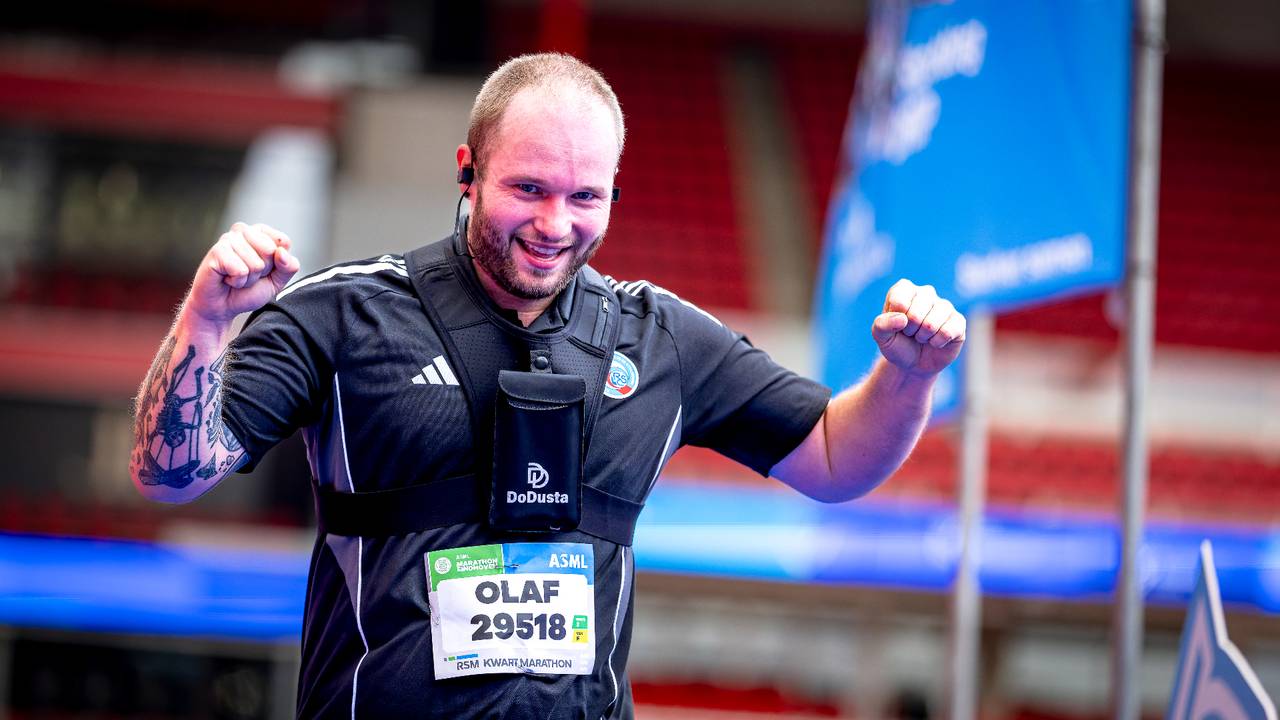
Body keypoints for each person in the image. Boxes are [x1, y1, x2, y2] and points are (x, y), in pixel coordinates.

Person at [129, 53, 964, 719]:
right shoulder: (338, 315)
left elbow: (834, 459)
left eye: (585, 196)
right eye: (528, 188)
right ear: (469, 170)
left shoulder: (661, 337)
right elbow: (170, 471)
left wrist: (909, 377)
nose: (555, 226)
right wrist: (205, 323)